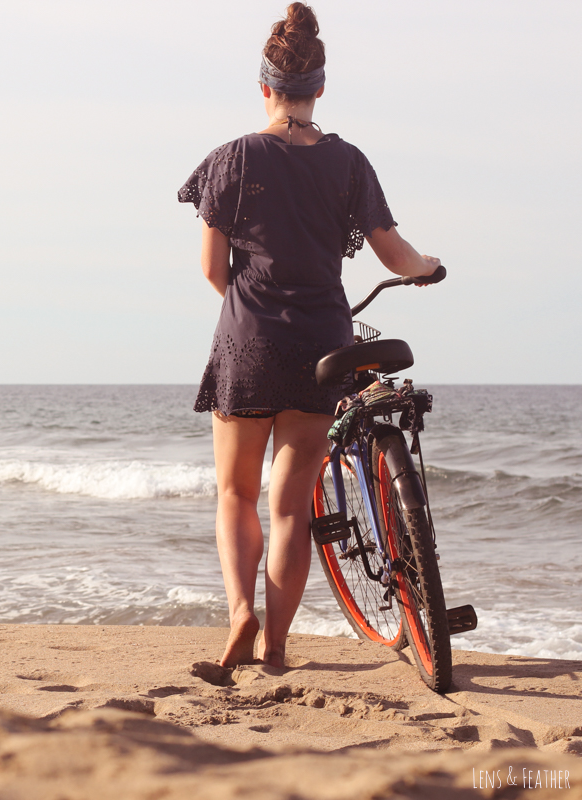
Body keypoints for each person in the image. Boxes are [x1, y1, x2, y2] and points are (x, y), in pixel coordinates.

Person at [178, 2, 440, 669]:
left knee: (236, 495)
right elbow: (394, 254)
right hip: (322, 346)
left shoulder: (231, 160)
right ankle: (276, 646)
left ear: (264, 87)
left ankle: (241, 613)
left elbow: (212, 270)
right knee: (291, 507)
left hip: (248, 343)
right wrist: (430, 269)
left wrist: (252, 309)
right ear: (319, 87)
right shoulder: (348, 163)